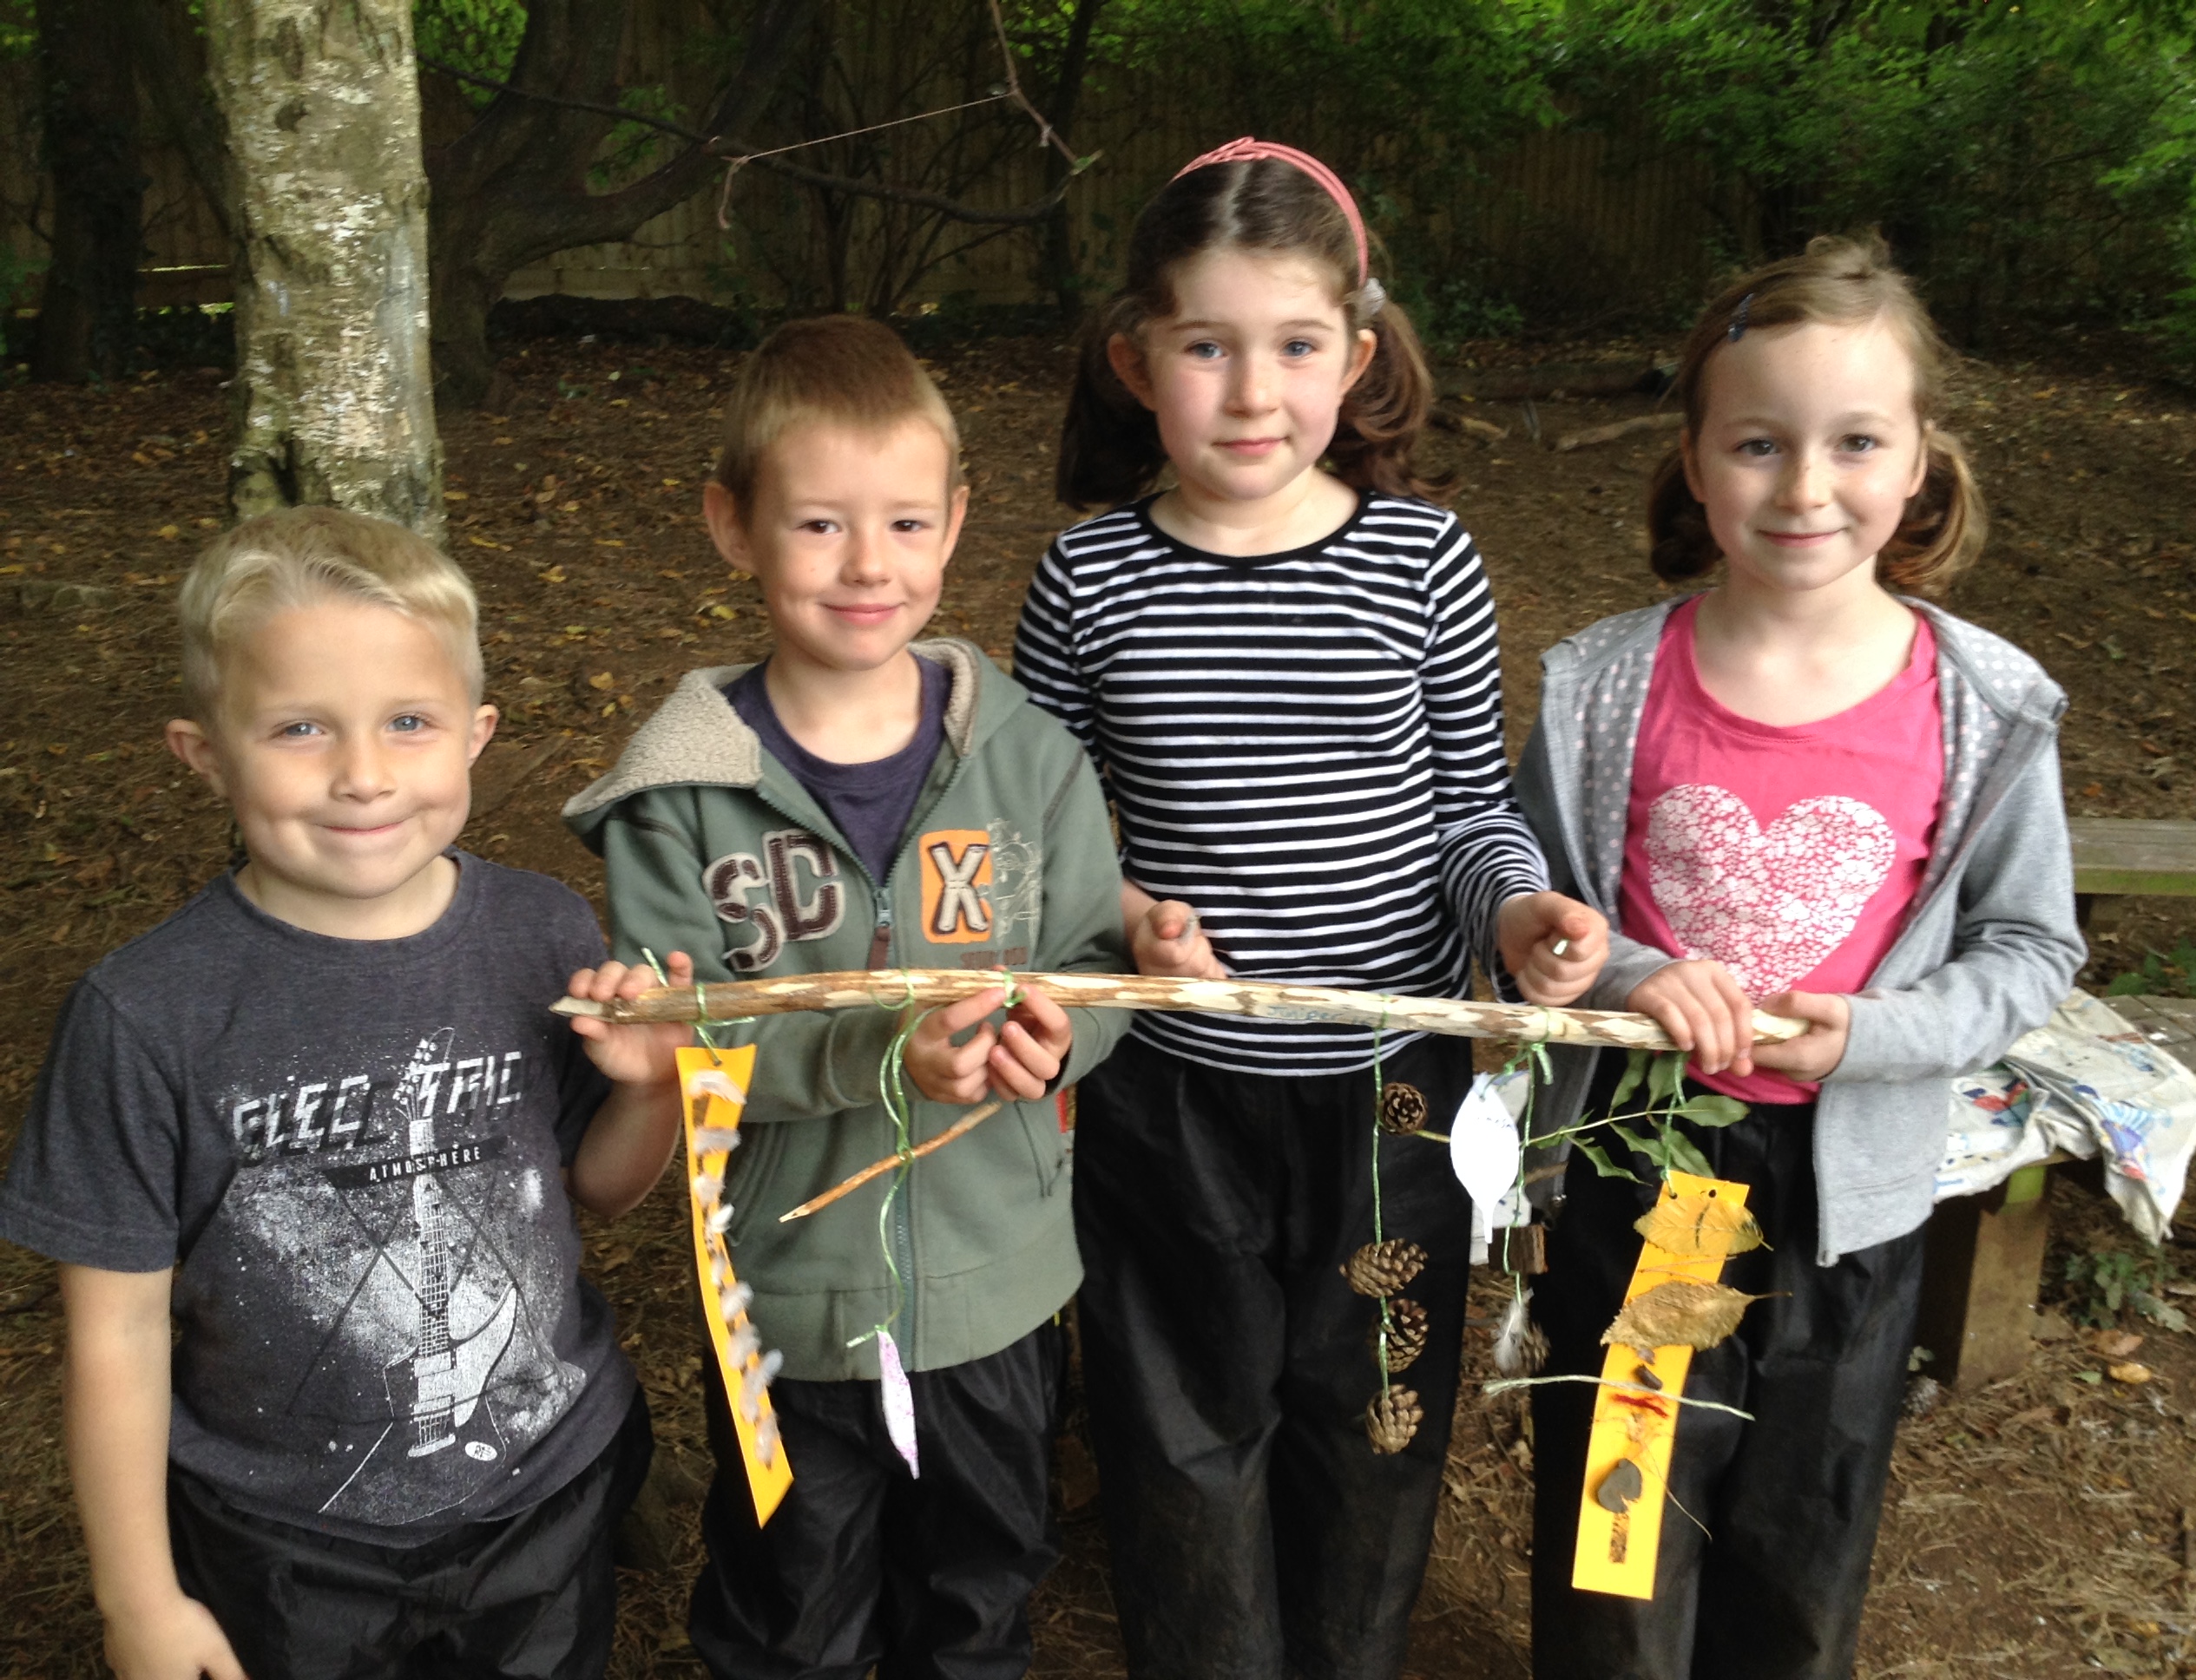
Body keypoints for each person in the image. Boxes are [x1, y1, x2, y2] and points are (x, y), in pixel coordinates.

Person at [1009, 138, 1608, 1680]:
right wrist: (1126, 914)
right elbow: (1038, 842)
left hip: (1386, 1099)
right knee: (1182, 1424)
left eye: (1293, 345)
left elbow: (1473, 813)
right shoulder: (1087, 579)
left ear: (1358, 350)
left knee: (1372, 1416)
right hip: (1165, 1098)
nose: (1254, 392)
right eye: (1207, 345)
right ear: (1139, 361)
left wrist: (1523, 911)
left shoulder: (1421, 561)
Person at [1513, 234, 2085, 1679]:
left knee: (1802, 1514)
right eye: (1759, 442)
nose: (1806, 486)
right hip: (1664, 1185)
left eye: (1854, 442)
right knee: (1625, 1512)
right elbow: (1520, 887)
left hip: (1850, 1192)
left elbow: (2029, 947)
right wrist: (1636, 972)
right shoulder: (1605, 685)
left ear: (1919, 467)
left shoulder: (1984, 705)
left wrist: (1871, 1035)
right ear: (1697, 462)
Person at [0, 506, 693, 1680]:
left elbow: (598, 1196)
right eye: (299, 727)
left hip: (545, 1491)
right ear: (205, 752)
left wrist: (656, 1093)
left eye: (408, 722)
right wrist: (140, 1602)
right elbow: (113, 1330)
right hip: (282, 1540)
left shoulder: (540, 933)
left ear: (477, 734)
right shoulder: (147, 1013)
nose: (363, 775)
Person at [562, 313, 1130, 1679]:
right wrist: (886, 1060)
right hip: (789, 1306)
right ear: (732, 526)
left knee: (980, 1599)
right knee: (790, 1613)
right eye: (818, 525)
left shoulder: (1033, 759)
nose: (869, 565)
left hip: (997, 1293)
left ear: (954, 525)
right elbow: (679, 1045)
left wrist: (1065, 1039)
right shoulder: (680, 798)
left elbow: (1099, 964)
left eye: (905, 523)